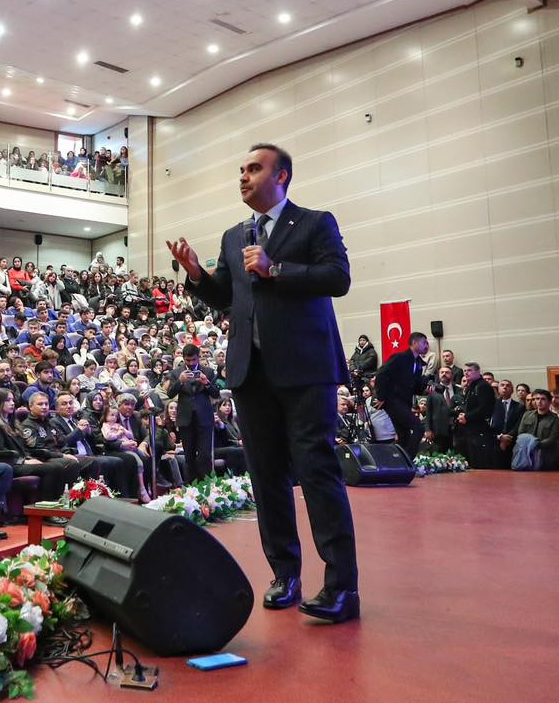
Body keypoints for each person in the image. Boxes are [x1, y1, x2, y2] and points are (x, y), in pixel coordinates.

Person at [167, 142, 359, 622]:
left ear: (283, 176)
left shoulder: (316, 222)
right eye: (241, 169)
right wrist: (195, 275)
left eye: (254, 168)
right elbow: (225, 296)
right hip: (250, 374)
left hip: (306, 371)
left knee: (317, 473)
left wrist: (278, 270)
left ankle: (341, 587)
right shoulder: (235, 236)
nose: (244, 176)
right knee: (267, 478)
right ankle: (285, 574)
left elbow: (338, 277)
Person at [165, 343, 221, 481]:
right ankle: (192, 489)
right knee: (189, 456)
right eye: (188, 360)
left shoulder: (208, 371)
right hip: (186, 418)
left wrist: (206, 383)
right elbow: (170, 393)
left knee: (204, 456)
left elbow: (215, 394)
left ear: (198, 357)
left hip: (204, 418)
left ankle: (207, 486)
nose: (191, 363)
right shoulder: (176, 373)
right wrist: (180, 381)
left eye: (193, 360)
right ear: (183, 358)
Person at [371, 331, 430, 457]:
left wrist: (424, 390)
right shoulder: (400, 357)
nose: (427, 345)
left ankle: (397, 461)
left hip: (404, 402)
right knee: (418, 428)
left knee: (404, 436)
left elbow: (414, 386)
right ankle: (408, 460)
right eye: (424, 342)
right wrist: (381, 396)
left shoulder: (418, 363)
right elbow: (381, 374)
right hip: (393, 401)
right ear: (414, 343)